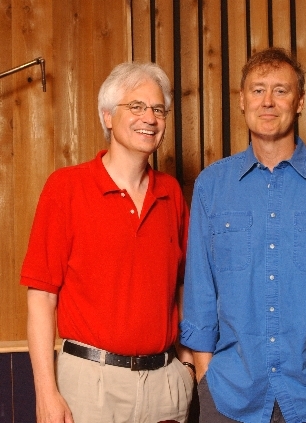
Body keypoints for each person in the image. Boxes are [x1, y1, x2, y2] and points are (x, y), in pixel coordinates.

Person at [180, 47, 306, 423]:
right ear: (242, 101)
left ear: (301, 101)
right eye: (257, 90)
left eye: (281, 91)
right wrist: (205, 373)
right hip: (229, 392)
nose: (267, 101)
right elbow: (200, 288)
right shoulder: (212, 185)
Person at [21, 61, 194, 423]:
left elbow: (183, 287)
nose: (150, 117)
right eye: (136, 106)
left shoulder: (171, 193)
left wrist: (187, 368)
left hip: (165, 384)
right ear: (107, 117)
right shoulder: (65, 188)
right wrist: (46, 392)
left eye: (158, 109)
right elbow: (41, 297)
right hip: (90, 385)